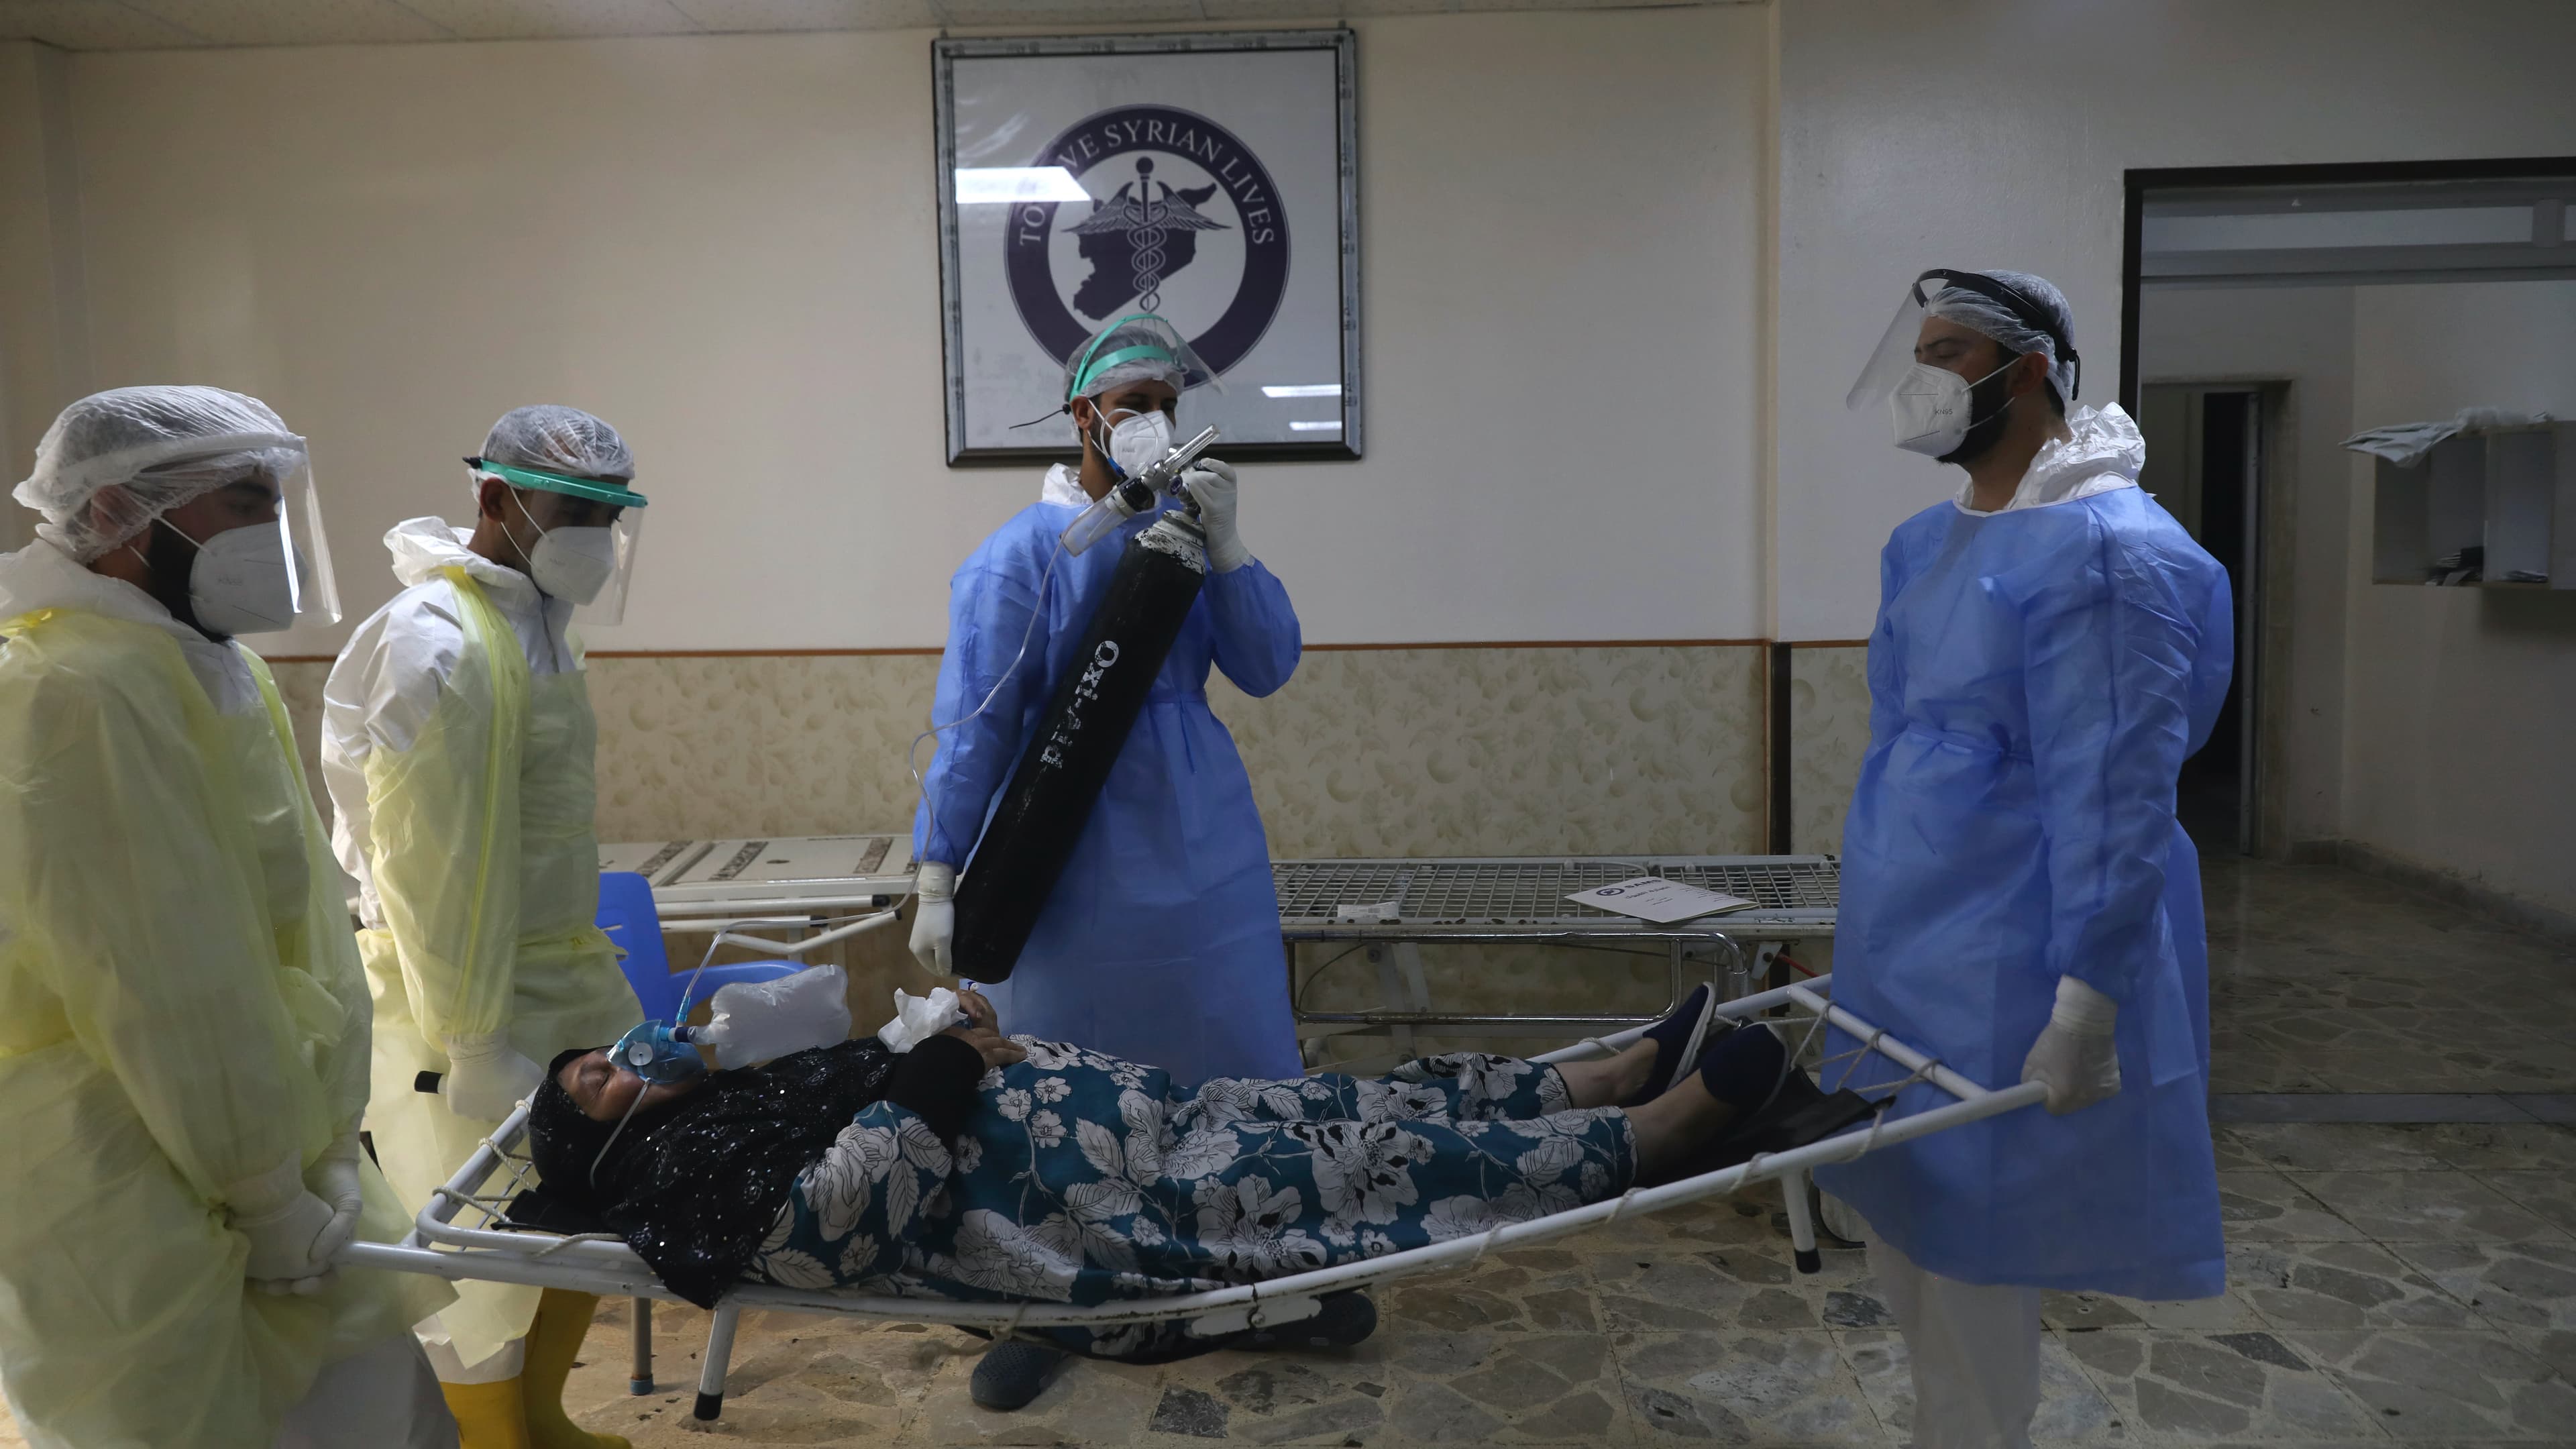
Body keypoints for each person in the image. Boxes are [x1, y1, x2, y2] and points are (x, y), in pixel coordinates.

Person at [0, 386, 458, 1447]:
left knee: (377, 1413)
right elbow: (160, 979)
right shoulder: (71, 689)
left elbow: (301, 919)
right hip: (122, 1166)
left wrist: (326, 1149)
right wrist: (260, 1190)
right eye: (245, 500)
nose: (274, 533)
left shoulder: (212, 666)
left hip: (266, 1141)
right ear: (120, 514)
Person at [1823, 269, 2233, 1448]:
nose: (1926, 381)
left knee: (1980, 1245)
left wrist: (2090, 997)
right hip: (1904, 927)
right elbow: (1907, 738)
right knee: (1909, 1221)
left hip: (2013, 940)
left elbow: (2114, 793)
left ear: (2034, 370)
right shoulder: (1924, 544)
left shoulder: (2113, 555)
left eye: (1949, 355)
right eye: (1924, 352)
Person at [523, 989, 1803, 1364]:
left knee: (1346, 1106)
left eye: (603, 1050)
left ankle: (1591, 1078)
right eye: (592, 1080)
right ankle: (1645, 1138)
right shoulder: (673, 1189)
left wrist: (937, 1033)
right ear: (603, 1147)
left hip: (1133, 1117)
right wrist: (938, 1075)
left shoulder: (734, 1092)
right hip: (1083, 1209)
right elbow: (834, 1225)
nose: (624, 1057)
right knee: (1361, 1172)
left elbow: (891, 1081)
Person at [325, 405, 650, 1449]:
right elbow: (432, 867)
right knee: (480, 1265)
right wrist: (471, 1041)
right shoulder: (437, 644)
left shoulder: (539, 622)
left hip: (561, 975)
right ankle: (494, 1439)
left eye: (611, 514)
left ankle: (543, 1419)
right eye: (574, 510)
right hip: (463, 997)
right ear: (494, 500)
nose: (594, 537)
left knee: (582, 1223)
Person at [910, 313, 1303, 1088]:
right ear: (1084, 414)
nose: (1155, 422)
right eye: (1134, 403)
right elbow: (975, 729)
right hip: (1064, 824)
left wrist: (1230, 549)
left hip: (1202, 825)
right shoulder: (1021, 556)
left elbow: (1265, 666)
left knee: (1219, 1021)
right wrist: (937, 872)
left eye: (1168, 404)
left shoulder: (1188, 536)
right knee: (1076, 1059)